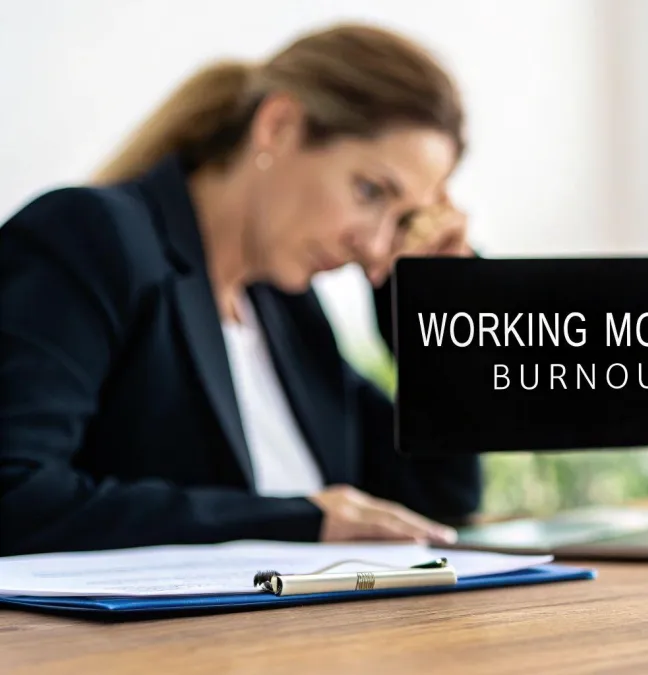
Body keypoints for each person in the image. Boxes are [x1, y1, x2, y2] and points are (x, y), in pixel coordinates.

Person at [0, 23, 483, 556]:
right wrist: (294, 520)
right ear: (278, 126)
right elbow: (14, 492)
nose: (373, 247)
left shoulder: (286, 310)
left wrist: (435, 299)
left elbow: (442, 499)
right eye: (370, 190)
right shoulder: (92, 237)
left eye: (404, 217)